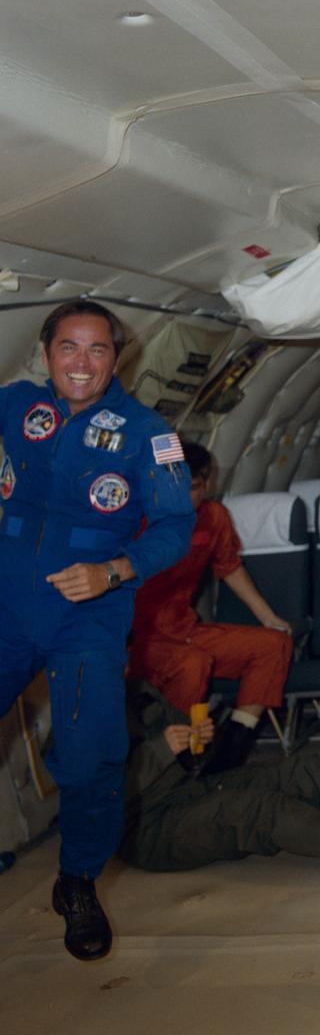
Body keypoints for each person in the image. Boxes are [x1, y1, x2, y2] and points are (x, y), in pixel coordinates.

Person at [0, 302, 194, 960]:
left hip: (86, 614)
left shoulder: (147, 433)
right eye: (68, 348)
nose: (81, 363)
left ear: (118, 357)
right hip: (7, 604)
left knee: (91, 756)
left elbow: (174, 529)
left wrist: (114, 570)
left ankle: (76, 880)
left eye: (97, 350)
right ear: (46, 351)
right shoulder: (18, 405)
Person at [128, 441, 294, 773]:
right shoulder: (132, 521)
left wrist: (268, 617)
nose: (177, 499)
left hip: (184, 628)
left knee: (274, 644)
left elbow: (228, 566)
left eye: (189, 489)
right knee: (193, 663)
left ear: (206, 484)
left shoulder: (213, 517)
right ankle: (177, 763)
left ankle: (230, 752)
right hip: (138, 642)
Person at [119, 686, 320, 871]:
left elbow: (190, 757)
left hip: (185, 791)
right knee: (258, 810)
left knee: (296, 770)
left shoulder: (138, 691)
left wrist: (199, 738)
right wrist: (161, 749)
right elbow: (97, 797)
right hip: (144, 830)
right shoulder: (84, 719)